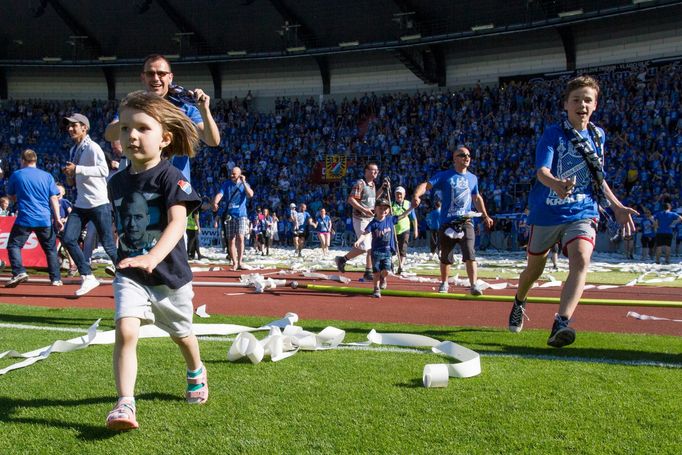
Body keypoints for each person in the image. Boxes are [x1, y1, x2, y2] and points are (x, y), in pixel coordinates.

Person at [507, 76, 638, 348]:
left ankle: (561, 323)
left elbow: (597, 177)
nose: (582, 104)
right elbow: (542, 171)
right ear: (566, 104)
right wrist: (555, 183)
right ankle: (520, 300)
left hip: (583, 209)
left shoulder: (598, 136)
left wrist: (617, 206)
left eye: (587, 100)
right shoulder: (553, 134)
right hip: (547, 213)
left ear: (595, 105)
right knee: (533, 270)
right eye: (576, 99)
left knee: (580, 259)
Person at [105, 90, 206, 431]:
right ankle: (124, 403)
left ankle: (196, 370)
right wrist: (129, 256)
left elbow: (178, 223)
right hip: (131, 273)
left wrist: (152, 256)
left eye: (142, 128)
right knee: (125, 329)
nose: (131, 135)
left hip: (169, 274)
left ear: (165, 138)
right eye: (125, 129)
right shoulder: (115, 182)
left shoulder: (171, 177)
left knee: (182, 334)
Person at [105, 54, 220, 181]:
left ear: (170, 77)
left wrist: (204, 110)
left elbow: (212, 141)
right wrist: (134, 116)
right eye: (150, 74)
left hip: (174, 186)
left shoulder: (184, 108)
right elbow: (109, 135)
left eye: (161, 74)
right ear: (143, 77)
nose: (155, 78)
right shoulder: (132, 105)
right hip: (140, 183)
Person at [412, 146, 494, 296]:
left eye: (469, 155)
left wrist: (485, 215)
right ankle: (444, 282)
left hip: (466, 221)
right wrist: (417, 195)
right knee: (446, 255)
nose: (467, 157)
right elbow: (426, 185)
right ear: (455, 159)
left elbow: (476, 197)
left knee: (470, 252)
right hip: (448, 222)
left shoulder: (473, 178)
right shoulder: (445, 176)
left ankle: (474, 284)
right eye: (462, 155)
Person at [61, 113, 118, 296]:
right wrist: (70, 176)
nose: (70, 129)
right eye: (69, 126)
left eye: (74, 126)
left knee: (109, 245)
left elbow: (104, 170)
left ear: (84, 128)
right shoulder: (74, 150)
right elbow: (73, 181)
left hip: (99, 203)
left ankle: (130, 278)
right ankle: (87, 275)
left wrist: (77, 169)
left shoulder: (93, 148)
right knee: (68, 239)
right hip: (81, 203)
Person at [4, 149, 63, 288]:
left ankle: (19, 271)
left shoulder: (17, 175)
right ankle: (56, 279)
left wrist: (17, 199)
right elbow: (54, 197)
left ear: (22, 160)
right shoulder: (47, 176)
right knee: (50, 250)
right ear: (36, 160)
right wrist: (58, 218)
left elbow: (11, 195)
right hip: (44, 219)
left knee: (14, 245)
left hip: (25, 218)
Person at [354, 197, 414, 298]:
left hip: (388, 251)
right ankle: (376, 289)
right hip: (376, 252)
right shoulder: (373, 223)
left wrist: (412, 207)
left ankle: (383, 278)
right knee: (376, 271)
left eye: (385, 209)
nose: (383, 211)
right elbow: (365, 233)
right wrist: (358, 241)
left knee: (386, 270)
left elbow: (403, 215)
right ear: (376, 209)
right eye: (380, 208)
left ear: (388, 210)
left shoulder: (390, 219)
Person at [335, 162, 386, 281]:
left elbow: (373, 199)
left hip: (370, 218)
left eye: (377, 171)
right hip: (360, 218)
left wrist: (382, 189)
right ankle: (364, 270)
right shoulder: (360, 183)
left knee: (369, 246)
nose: (375, 173)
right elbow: (351, 199)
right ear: (366, 171)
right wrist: (363, 209)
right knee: (365, 247)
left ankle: (346, 261)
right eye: (373, 170)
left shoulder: (373, 184)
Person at [211, 166, 253, 270]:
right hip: (229, 215)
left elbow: (250, 194)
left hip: (241, 215)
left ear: (239, 174)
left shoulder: (244, 185)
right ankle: (234, 263)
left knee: (240, 237)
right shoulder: (226, 184)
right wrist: (215, 202)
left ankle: (240, 261)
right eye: (231, 173)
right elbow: (220, 194)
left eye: (234, 174)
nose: (231, 175)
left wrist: (243, 182)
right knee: (231, 240)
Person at [391, 186, 418, 275]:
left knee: (403, 248)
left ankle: (401, 266)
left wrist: (415, 230)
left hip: (404, 229)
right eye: (397, 194)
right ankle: (390, 264)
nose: (399, 195)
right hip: (393, 230)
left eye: (400, 194)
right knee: (392, 249)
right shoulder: (391, 204)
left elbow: (413, 218)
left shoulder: (408, 204)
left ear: (404, 195)